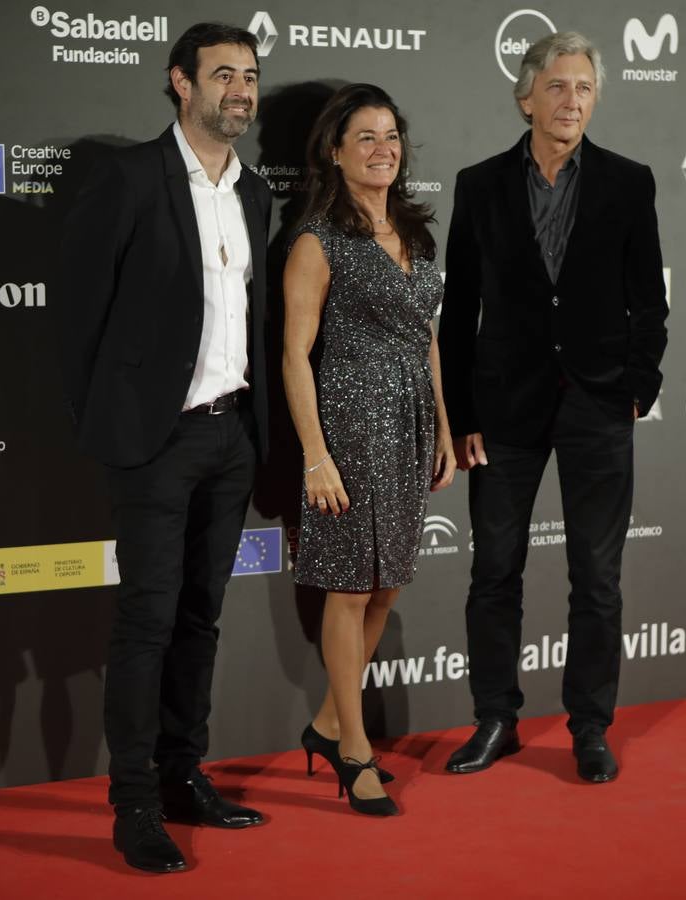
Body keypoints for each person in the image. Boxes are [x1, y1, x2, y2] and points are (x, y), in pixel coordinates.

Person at [58, 22, 272, 873]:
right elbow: (77, 318)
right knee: (146, 623)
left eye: (250, 76)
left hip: (232, 437)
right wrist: (112, 426)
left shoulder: (254, 193)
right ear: (179, 82)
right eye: (224, 75)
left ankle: (186, 779)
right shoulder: (128, 179)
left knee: (199, 620)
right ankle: (135, 806)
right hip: (155, 441)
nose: (242, 91)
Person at [438, 31, 668, 783]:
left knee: (597, 578)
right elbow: (459, 307)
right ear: (527, 95)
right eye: (560, 87)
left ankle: (591, 726)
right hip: (504, 410)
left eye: (586, 89)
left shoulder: (630, 183)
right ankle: (496, 718)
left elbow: (650, 304)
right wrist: (464, 413)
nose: (573, 102)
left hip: (600, 404)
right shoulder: (479, 184)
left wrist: (638, 384)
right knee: (494, 571)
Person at [282, 83, 455, 816]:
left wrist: (445, 426)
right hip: (349, 427)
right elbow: (294, 354)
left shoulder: (415, 235)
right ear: (335, 151)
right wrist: (315, 455)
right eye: (366, 138)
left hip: (411, 426)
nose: (383, 149)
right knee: (349, 588)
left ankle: (326, 723)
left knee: (385, 585)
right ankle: (355, 752)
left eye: (391, 137)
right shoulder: (319, 239)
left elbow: (430, 341)